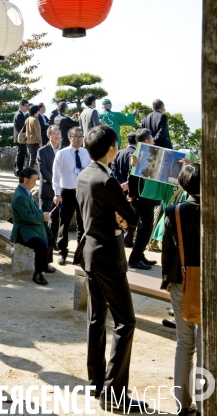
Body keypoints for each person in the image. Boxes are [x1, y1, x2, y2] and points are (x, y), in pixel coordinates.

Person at [75, 124, 146, 412]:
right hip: (108, 255)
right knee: (125, 321)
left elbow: (97, 210)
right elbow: (132, 217)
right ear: (112, 148)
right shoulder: (107, 181)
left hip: (90, 251)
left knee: (96, 318)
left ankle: (96, 382)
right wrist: (121, 217)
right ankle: (114, 393)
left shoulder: (85, 174)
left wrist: (117, 213)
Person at [161, 163, 201, 416]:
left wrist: (167, 281)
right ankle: (205, 400)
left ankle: (182, 405)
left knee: (184, 344)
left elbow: (168, 253)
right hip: (210, 283)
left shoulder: (173, 211)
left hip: (182, 281)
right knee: (206, 343)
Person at [11, 167, 55, 285]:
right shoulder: (20, 196)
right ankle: (38, 273)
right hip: (23, 230)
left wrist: (43, 215)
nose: (35, 183)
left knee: (50, 236)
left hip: (30, 227)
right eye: (34, 181)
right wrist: (43, 217)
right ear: (25, 180)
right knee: (41, 245)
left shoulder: (25, 192)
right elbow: (27, 216)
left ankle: (45, 264)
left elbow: (33, 211)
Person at [52, 126, 90, 265]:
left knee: (83, 224)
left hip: (82, 192)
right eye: (76, 136)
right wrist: (57, 194)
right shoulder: (62, 154)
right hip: (66, 192)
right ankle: (63, 252)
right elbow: (56, 176)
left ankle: (81, 254)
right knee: (64, 224)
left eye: (81, 136)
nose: (79, 138)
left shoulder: (86, 153)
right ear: (70, 138)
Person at [127, 128, 159, 270]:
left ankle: (140, 255)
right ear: (146, 141)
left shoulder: (149, 154)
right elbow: (132, 178)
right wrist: (133, 195)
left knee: (146, 228)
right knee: (144, 229)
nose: (153, 140)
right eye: (151, 138)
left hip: (147, 197)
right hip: (142, 198)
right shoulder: (137, 155)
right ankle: (134, 259)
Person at [111, 131, 137, 248]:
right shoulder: (136, 154)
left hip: (118, 187)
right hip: (131, 189)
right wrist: (127, 183)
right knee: (131, 216)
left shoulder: (118, 152)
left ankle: (122, 237)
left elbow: (113, 169)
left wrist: (119, 183)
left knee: (120, 216)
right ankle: (128, 240)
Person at [37, 125, 62, 246]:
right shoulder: (42, 151)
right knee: (44, 217)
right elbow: (43, 170)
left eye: (59, 133)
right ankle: (44, 241)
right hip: (47, 189)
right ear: (48, 136)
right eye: (54, 133)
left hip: (61, 191)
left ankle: (54, 242)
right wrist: (57, 182)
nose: (57, 136)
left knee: (57, 218)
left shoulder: (64, 150)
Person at [13, 99, 30, 176]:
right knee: (21, 154)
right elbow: (23, 126)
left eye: (28, 106)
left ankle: (17, 170)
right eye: (26, 106)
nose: (27, 107)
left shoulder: (21, 114)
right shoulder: (19, 114)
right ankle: (19, 170)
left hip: (20, 137)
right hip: (20, 138)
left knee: (20, 153)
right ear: (21, 106)